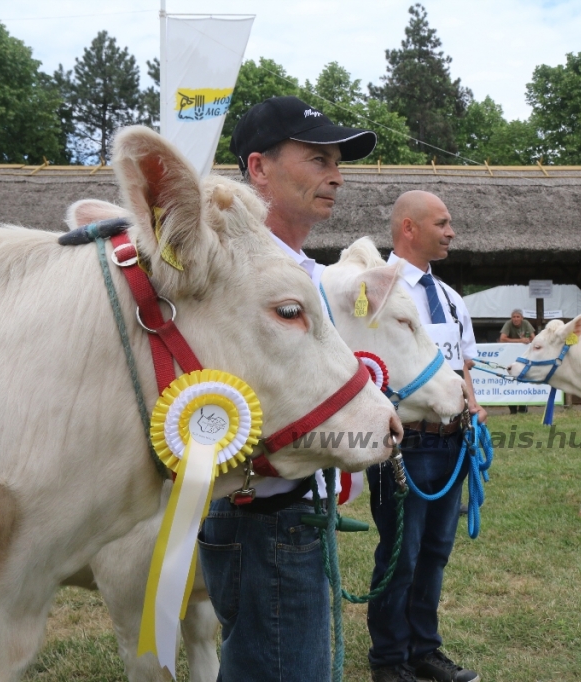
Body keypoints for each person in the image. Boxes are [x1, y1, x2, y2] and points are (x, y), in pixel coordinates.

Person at [198, 96, 378, 682]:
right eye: (318, 158)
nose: (337, 175)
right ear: (258, 169)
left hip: (288, 511)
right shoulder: (238, 281)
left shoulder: (303, 272)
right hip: (264, 510)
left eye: (337, 161)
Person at [368, 190, 484, 682]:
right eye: (442, 223)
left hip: (452, 443)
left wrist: (473, 409)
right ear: (409, 228)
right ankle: (390, 660)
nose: (451, 231)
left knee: (435, 552)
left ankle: (423, 650)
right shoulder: (375, 289)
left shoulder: (454, 299)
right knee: (402, 553)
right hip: (404, 444)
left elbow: (462, 367)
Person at [499, 309, 535, 414]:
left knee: (523, 379)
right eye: (513, 317)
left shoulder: (526, 324)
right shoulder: (508, 324)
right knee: (510, 380)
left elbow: (534, 338)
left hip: (523, 358)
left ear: (522, 318)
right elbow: (502, 338)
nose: (515, 319)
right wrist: (520, 341)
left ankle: (523, 407)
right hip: (510, 357)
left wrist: (528, 341)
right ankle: (512, 408)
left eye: (518, 317)